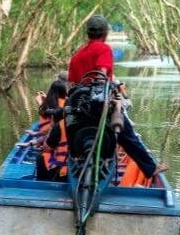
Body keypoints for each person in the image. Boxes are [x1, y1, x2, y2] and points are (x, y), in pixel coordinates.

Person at [67, 14, 167, 179]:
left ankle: (75, 158)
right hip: (99, 104)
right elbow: (102, 74)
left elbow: (70, 86)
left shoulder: (77, 55)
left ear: (87, 33)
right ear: (105, 33)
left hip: (80, 106)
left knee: (71, 125)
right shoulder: (104, 49)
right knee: (128, 134)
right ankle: (150, 169)